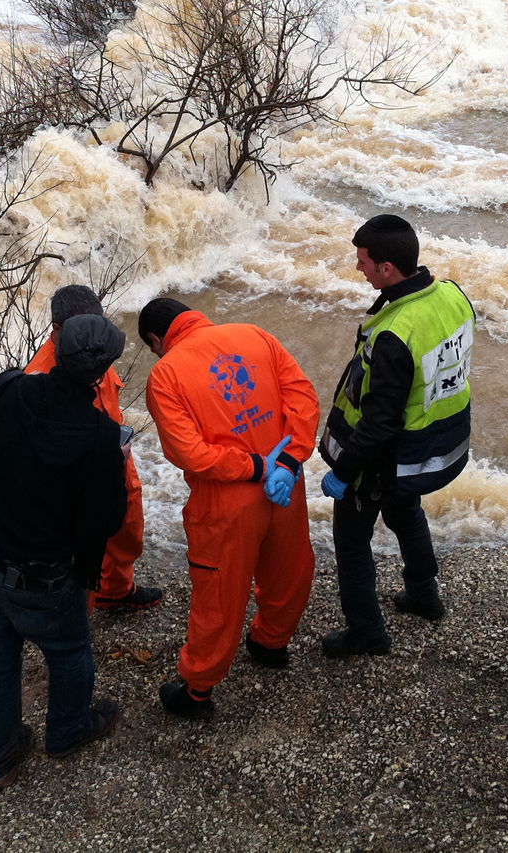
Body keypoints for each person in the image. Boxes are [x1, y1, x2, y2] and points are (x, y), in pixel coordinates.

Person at [0, 314, 129, 789]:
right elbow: (107, 521)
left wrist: (10, 450)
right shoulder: (99, 437)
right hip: (44, 579)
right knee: (69, 651)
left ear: (57, 349)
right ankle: (67, 730)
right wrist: (114, 464)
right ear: (102, 371)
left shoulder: (11, 388)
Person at [139, 297, 320, 719]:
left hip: (227, 499)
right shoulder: (255, 335)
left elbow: (190, 453)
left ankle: (197, 691)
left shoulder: (166, 373)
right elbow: (305, 400)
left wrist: (256, 466)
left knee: (218, 593)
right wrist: (288, 460)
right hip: (285, 484)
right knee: (289, 568)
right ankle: (271, 644)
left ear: (155, 339)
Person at [318, 214, 475, 658]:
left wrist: (344, 471)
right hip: (429, 445)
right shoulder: (451, 295)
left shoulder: (393, 334)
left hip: (385, 456)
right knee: (406, 512)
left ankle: (366, 633)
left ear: (387, 268)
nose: (358, 268)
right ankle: (424, 595)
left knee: (352, 542)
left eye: (363, 261)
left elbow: (378, 424)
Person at [24, 284, 162, 612]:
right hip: (81, 480)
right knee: (84, 551)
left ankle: (115, 590)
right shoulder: (38, 379)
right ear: (57, 329)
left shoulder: (94, 345)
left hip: (116, 459)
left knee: (128, 532)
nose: (94, 334)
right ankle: (79, 618)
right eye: (84, 326)